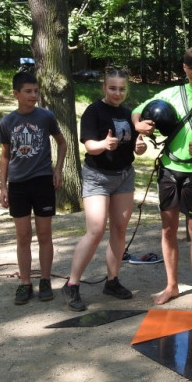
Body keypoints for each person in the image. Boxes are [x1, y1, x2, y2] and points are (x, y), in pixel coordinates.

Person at [132, 45, 192, 309]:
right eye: (191, 67)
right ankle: (171, 286)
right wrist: (138, 125)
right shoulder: (171, 93)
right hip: (168, 170)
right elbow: (138, 110)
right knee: (168, 228)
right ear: (184, 68)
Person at [61, 69, 148, 312]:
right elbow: (90, 146)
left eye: (121, 89)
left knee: (119, 229)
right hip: (97, 176)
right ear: (104, 87)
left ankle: (112, 281)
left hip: (124, 176)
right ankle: (72, 284)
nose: (117, 93)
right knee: (96, 229)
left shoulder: (128, 114)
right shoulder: (93, 111)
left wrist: (139, 147)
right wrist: (103, 144)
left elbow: (135, 146)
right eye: (112, 88)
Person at [0, 71, 68, 305]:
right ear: (16, 94)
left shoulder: (46, 117)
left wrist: (58, 170)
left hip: (42, 182)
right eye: (28, 91)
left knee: (44, 234)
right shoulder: (7, 122)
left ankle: (45, 280)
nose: (33, 95)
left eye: (36, 91)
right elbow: (5, 155)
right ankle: (25, 283)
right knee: (23, 236)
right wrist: (3, 187)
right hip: (18, 185)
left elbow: (62, 143)